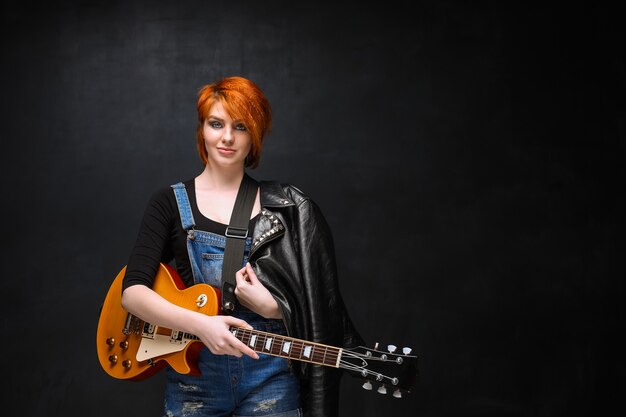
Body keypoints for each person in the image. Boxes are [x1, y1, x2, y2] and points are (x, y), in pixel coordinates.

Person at [121, 76, 364, 417]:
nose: (227, 138)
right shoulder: (169, 203)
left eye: (241, 127)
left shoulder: (286, 208)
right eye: (216, 124)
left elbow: (324, 308)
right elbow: (132, 293)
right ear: (202, 129)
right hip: (196, 379)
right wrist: (202, 325)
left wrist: (276, 309)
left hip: (272, 377)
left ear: (255, 136)